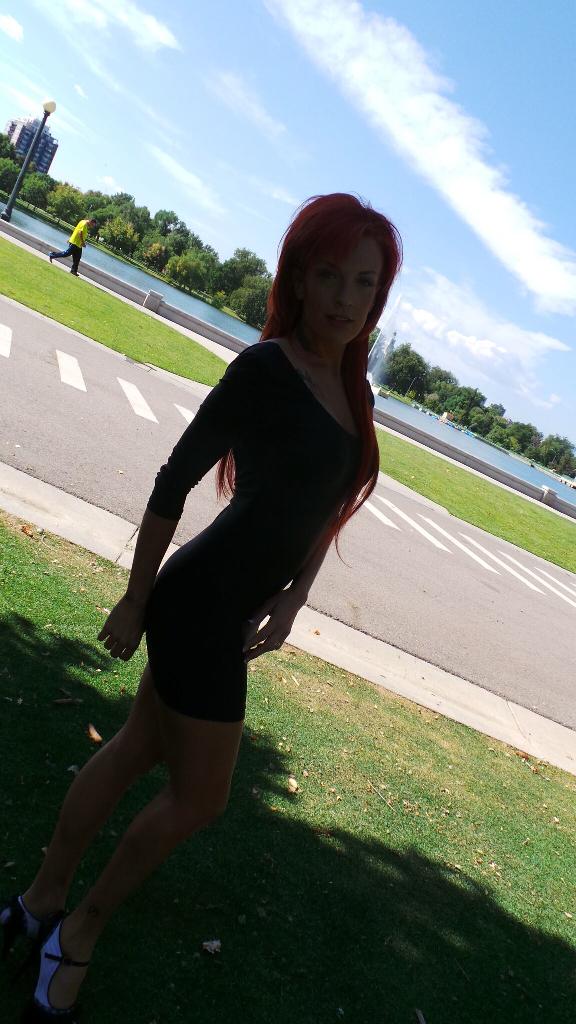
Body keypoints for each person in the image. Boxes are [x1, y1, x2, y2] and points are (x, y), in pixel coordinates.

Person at [2, 193, 402, 1022]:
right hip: (198, 605)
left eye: (364, 282)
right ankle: (77, 933)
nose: (344, 298)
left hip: (234, 605)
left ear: (379, 296)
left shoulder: (352, 392)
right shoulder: (266, 370)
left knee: (135, 749)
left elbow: (326, 506)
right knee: (202, 799)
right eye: (329, 275)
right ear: (298, 277)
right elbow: (173, 478)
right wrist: (135, 596)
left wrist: (295, 596)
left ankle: (40, 901)